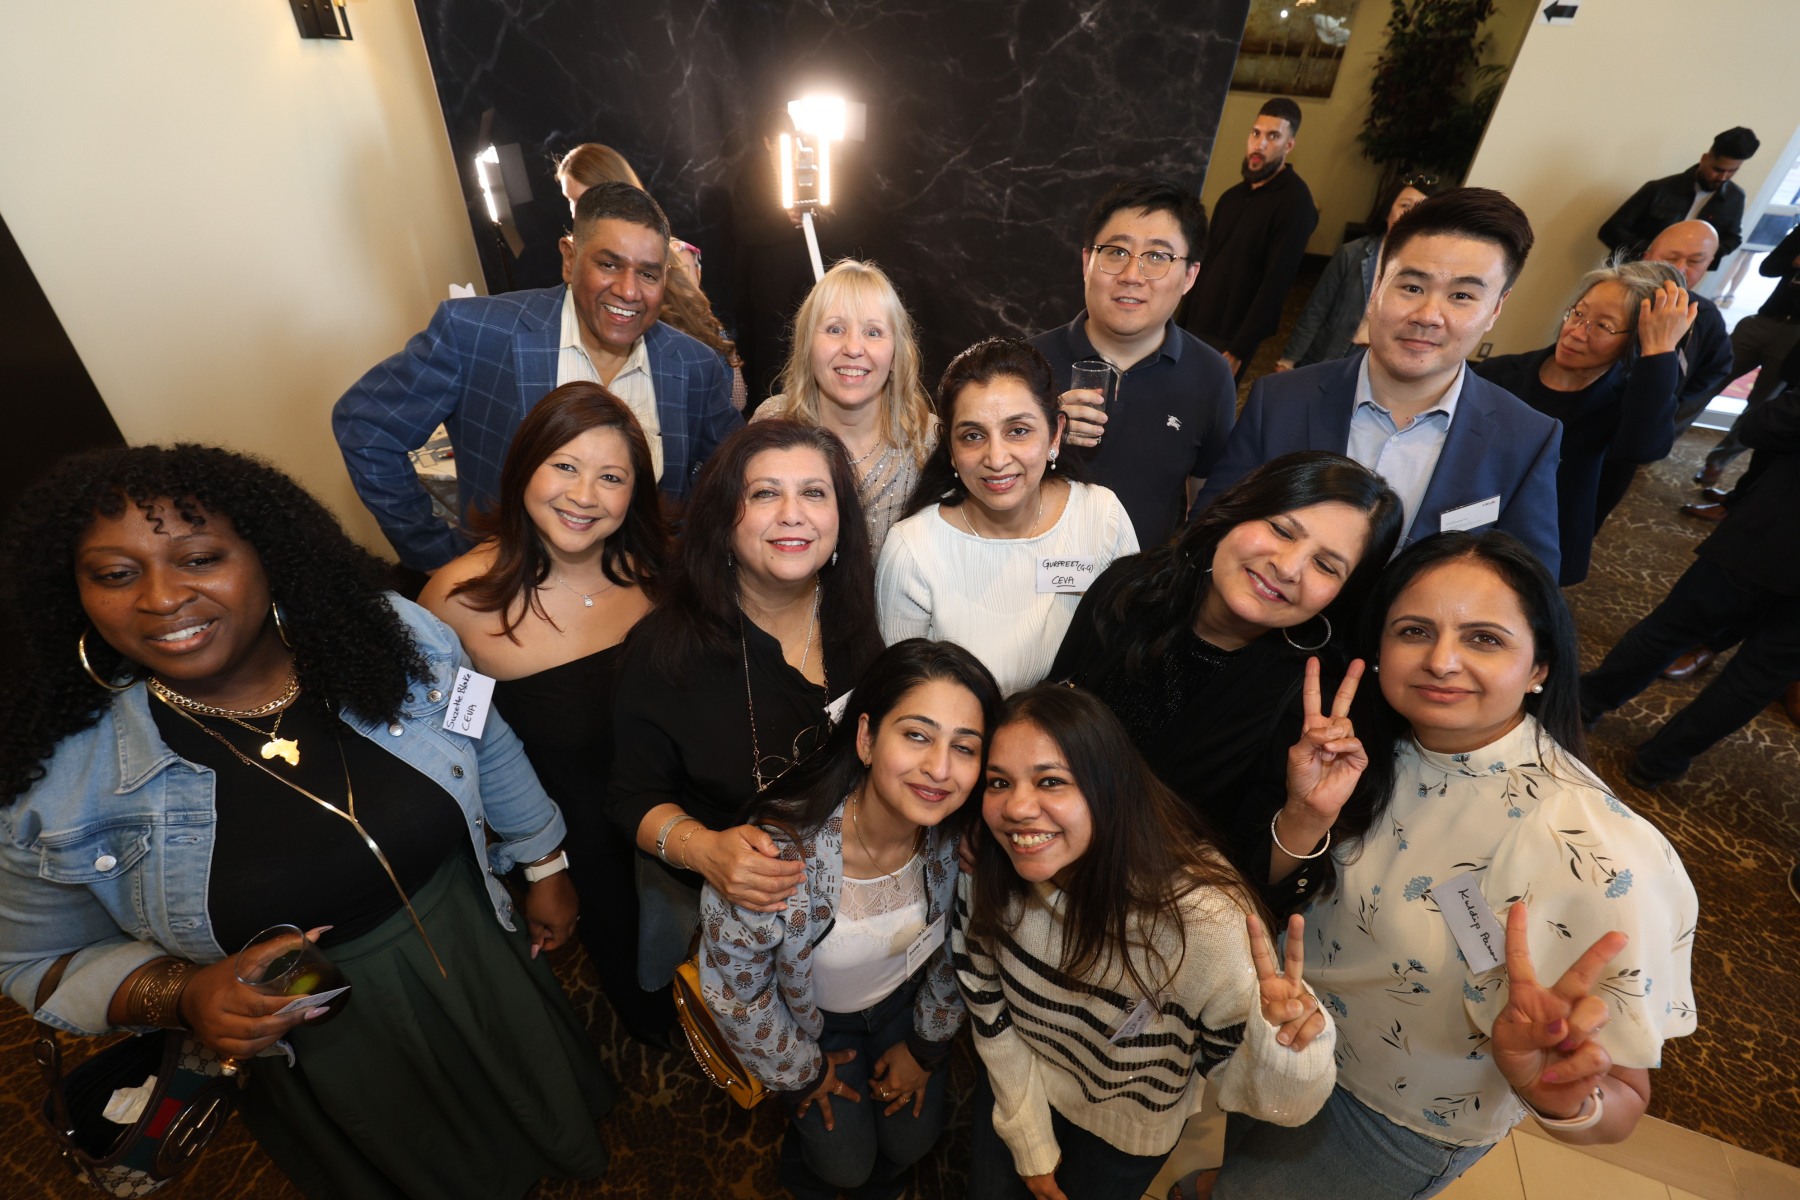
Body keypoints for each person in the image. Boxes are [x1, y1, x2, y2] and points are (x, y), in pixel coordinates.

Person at [0, 444, 614, 1198]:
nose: (161, 598)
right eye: (116, 574)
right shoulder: (51, 785)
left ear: (269, 553)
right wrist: (183, 996)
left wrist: (544, 863)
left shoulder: (398, 636)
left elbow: (483, 736)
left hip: (471, 938)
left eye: (200, 559)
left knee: (537, 1096)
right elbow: (36, 962)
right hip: (317, 1036)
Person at [1212, 532, 1697, 1200]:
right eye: (1414, 631)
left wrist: (1555, 1095)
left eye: (1484, 639)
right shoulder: (1369, 746)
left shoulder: (1593, 848)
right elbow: (1286, 896)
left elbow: (1623, 1099)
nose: (1441, 661)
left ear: (1540, 666)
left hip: (1384, 1116)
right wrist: (1305, 816)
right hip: (1286, 1034)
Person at [954, 684, 1337, 1200]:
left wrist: (1288, 1048)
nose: (1016, 807)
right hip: (1015, 1088)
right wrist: (1028, 1137)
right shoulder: (986, 869)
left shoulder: (1201, 921)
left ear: (1111, 788)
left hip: (1123, 1135)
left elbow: (1273, 1104)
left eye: (1051, 781)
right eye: (999, 782)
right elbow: (986, 1004)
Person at [700, 639, 1003, 1200]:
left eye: (964, 748)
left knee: (911, 1144)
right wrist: (803, 1073)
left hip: (903, 1005)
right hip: (808, 1022)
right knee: (845, 1168)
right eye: (917, 735)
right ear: (866, 738)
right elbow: (737, 992)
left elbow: (965, 945)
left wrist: (926, 1046)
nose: (940, 769)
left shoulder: (962, 843)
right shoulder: (775, 854)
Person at [419, 382, 674, 1043]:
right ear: (524, 467)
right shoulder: (460, 604)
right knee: (652, 1010)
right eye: (565, 465)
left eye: (611, 477)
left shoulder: (662, 574)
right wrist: (545, 869)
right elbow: (463, 750)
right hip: (585, 849)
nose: (584, 495)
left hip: (687, 829)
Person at [333, 180, 741, 571]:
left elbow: (734, 476)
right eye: (608, 264)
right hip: (512, 597)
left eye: (648, 274)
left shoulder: (694, 365)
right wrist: (436, 556)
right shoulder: (476, 334)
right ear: (570, 258)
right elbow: (366, 426)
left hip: (648, 597)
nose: (629, 291)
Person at [608, 419, 884, 991]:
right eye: (764, 494)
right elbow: (632, 797)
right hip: (731, 921)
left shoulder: (861, 618)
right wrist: (706, 851)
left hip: (855, 893)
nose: (792, 514)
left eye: (814, 492)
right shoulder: (665, 651)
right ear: (722, 521)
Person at [1049, 451, 1400, 901]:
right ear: (1239, 510)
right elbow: (1050, 712)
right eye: (1282, 530)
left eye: (1326, 566)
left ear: (1342, 594)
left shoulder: (1313, 704)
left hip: (1143, 913)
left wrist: (1306, 816)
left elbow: (1256, 891)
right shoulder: (1134, 588)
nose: (1288, 567)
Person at [1190, 188, 1563, 578]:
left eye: (1462, 296)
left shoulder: (1525, 441)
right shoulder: (1281, 401)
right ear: (1377, 287)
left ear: (1495, 309)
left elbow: (1529, 589)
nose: (1429, 315)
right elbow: (1209, 533)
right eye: (1413, 287)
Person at [877, 339, 1138, 694]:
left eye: (1018, 431)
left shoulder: (1101, 517)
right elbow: (905, 698)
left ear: (1055, 434)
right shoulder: (913, 549)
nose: (997, 459)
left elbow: (1129, 659)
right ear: (950, 449)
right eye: (973, 436)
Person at [1581, 376, 1800, 786]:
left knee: (1674, 629)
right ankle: (1660, 761)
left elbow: (1761, 426)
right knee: (1758, 677)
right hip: (1768, 537)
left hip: (1768, 536)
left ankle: (1586, 704)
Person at [1030, 175, 1236, 545]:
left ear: (1190, 276)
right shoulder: (1025, 363)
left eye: (1157, 257)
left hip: (1142, 575)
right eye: (1116, 252)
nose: (1131, 275)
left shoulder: (1211, 376)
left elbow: (1208, 498)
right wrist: (1037, 432)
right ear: (1087, 262)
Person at [1474, 262, 1696, 584]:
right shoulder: (1498, 374)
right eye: (1578, 313)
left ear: (1635, 340)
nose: (1576, 332)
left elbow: (1643, 447)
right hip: (1465, 527)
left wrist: (1660, 351)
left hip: (1540, 546)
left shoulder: (1630, 403)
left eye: (1603, 326)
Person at [754, 259, 937, 557]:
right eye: (835, 329)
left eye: (873, 332)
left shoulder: (930, 441)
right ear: (807, 345)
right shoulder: (773, 420)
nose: (853, 348)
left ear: (896, 353)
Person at [555, 142, 747, 410]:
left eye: (581, 200)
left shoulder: (679, 256)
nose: (575, 212)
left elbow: (700, 331)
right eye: (570, 201)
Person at [1181, 97, 1320, 378]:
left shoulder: (1296, 203)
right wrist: (1178, 325)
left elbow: (1276, 284)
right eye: (1256, 133)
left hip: (1231, 338)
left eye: (1273, 136)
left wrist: (1239, 349)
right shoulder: (1231, 197)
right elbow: (1203, 263)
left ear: (1289, 145)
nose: (1260, 145)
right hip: (1193, 325)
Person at [1275, 175, 1439, 372]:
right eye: (1405, 205)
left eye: (1420, 210)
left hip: (1382, 366)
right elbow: (1316, 311)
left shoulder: (1432, 271)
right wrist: (1288, 360)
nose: (1410, 215)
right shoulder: (1351, 254)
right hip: (1332, 355)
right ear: (1388, 210)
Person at [1691, 217, 1800, 490]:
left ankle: (1717, 462)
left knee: (1761, 407)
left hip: (1795, 338)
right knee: (1706, 380)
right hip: (1763, 320)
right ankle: (1661, 438)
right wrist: (1794, 261)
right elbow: (1767, 267)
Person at [1598, 125, 1760, 267]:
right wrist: (1652, 251)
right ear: (1704, 159)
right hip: (1632, 270)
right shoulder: (1658, 189)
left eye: (1732, 171)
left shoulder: (1735, 198)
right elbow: (1610, 230)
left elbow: (1733, 238)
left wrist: (1701, 256)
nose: (1723, 177)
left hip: (1680, 279)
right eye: (1718, 170)